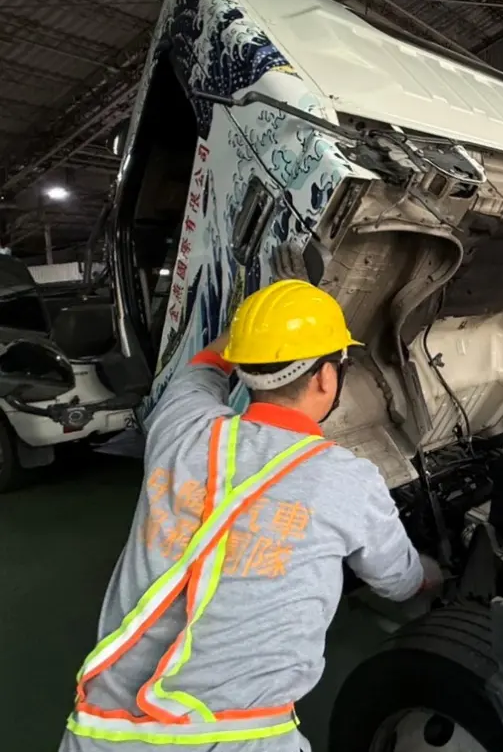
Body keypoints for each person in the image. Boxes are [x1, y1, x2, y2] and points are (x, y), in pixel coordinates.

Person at [62, 279, 439, 751]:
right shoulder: (347, 480)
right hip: (239, 740)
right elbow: (400, 582)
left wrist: (255, 322)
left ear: (242, 369)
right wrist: (432, 576)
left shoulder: (180, 427)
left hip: (100, 733)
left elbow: (203, 366)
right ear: (326, 377)